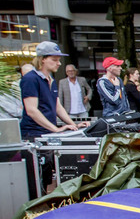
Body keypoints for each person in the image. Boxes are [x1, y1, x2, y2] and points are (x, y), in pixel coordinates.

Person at [20, 42, 90, 196]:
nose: (59, 63)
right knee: (38, 177)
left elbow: (57, 106)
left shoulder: (50, 79)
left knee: (48, 172)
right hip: (34, 134)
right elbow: (32, 110)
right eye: (55, 59)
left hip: (46, 133)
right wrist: (56, 129)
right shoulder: (31, 79)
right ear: (43, 59)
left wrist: (74, 125)